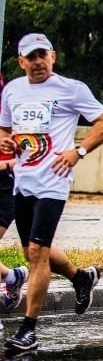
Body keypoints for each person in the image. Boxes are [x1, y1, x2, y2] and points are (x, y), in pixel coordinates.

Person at [0, 33, 103, 351]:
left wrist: (78, 151)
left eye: (43, 55)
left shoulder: (71, 89)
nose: (38, 62)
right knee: (31, 252)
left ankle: (29, 330)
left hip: (54, 181)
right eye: (31, 57)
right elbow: (4, 128)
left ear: (53, 56)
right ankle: (81, 278)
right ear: (21, 62)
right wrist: (5, 142)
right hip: (23, 181)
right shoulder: (13, 90)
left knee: (37, 252)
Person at [0, 74, 27, 310]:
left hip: (6, 186)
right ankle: (12, 277)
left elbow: (31, 155)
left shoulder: (13, 110)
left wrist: (5, 165)